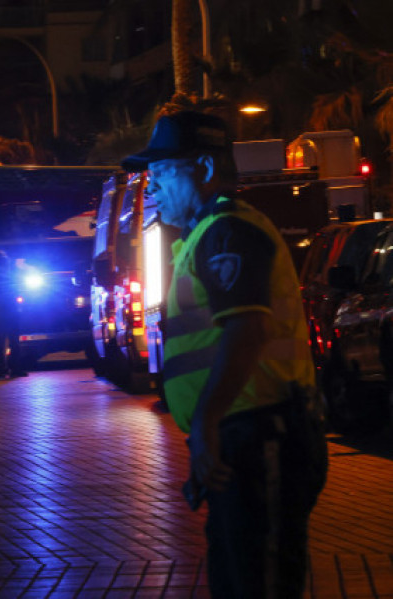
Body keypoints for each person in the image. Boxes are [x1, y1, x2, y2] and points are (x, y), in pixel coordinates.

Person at [122, 110, 327, 597]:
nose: (151, 188)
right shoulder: (206, 234)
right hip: (247, 439)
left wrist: (208, 422)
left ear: (206, 170)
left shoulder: (228, 233)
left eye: (164, 172)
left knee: (261, 582)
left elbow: (248, 330)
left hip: (262, 437)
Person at [0, 250, 27, 380]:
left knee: (0, 343)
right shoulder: (4, 278)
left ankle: (0, 369)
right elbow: (13, 294)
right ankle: (12, 368)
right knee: (12, 342)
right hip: (8, 313)